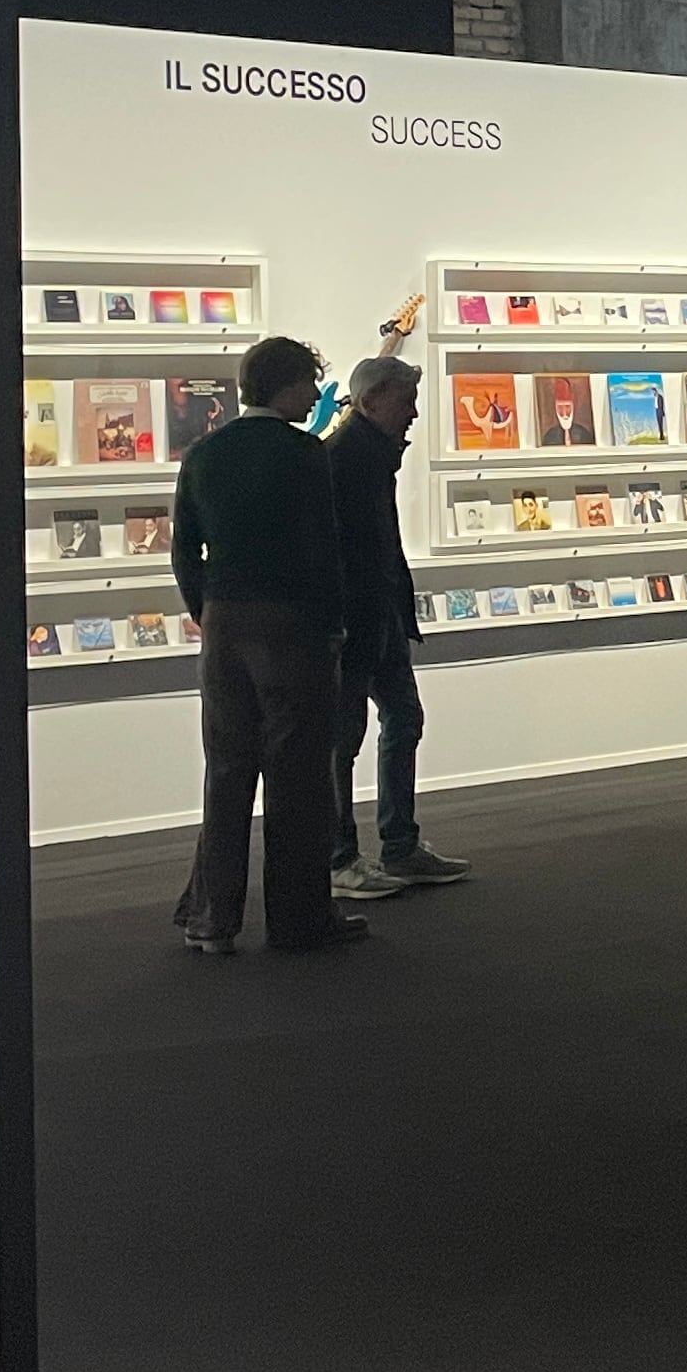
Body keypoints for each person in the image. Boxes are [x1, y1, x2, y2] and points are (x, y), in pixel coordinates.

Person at [172, 334, 361, 955]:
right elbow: (323, 548)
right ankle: (299, 918)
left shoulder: (202, 453)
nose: (313, 395)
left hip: (224, 622)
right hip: (291, 623)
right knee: (298, 774)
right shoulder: (304, 455)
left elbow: (184, 551)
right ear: (287, 384)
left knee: (226, 769)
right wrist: (334, 624)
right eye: (309, 382)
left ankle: (212, 920)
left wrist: (209, 609)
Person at [324, 354, 466, 896]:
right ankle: (342, 858)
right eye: (404, 401)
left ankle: (398, 847)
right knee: (347, 738)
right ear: (370, 402)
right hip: (355, 617)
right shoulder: (345, 459)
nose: (413, 413)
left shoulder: (369, 454)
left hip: (376, 609)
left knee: (400, 718)